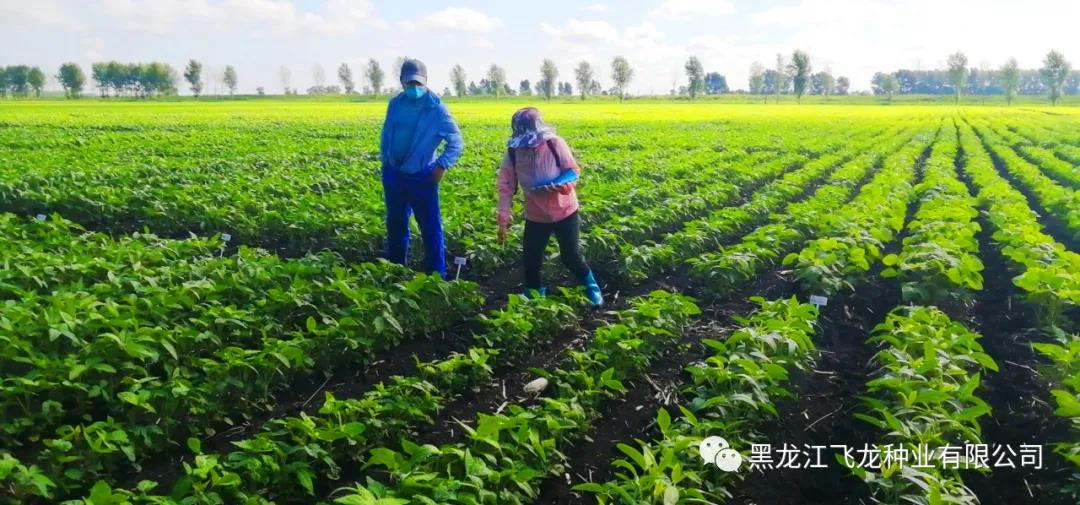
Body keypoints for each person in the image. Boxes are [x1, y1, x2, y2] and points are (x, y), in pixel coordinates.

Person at [496, 107, 603, 306]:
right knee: (531, 259)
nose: (530, 147)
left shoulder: (554, 143)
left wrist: (561, 185)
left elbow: (572, 170)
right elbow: (506, 185)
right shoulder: (513, 152)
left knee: (570, 256)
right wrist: (503, 216)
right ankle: (534, 296)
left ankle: (592, 288)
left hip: (565, 211)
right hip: (536, 215)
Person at [379, 58, 463, 278]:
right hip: (394, 174)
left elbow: (456, 142)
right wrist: (386, 161)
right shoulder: (395, 104)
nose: (414, 87)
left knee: (430, 228)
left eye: (418, 83)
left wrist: (441, 165)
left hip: (422, 177)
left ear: (426, 82)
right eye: (410, 83)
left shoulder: (436, 109)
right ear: (402, 81)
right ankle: (396, 271)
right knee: (395, 225)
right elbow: (387, 132)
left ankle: (437, 276)